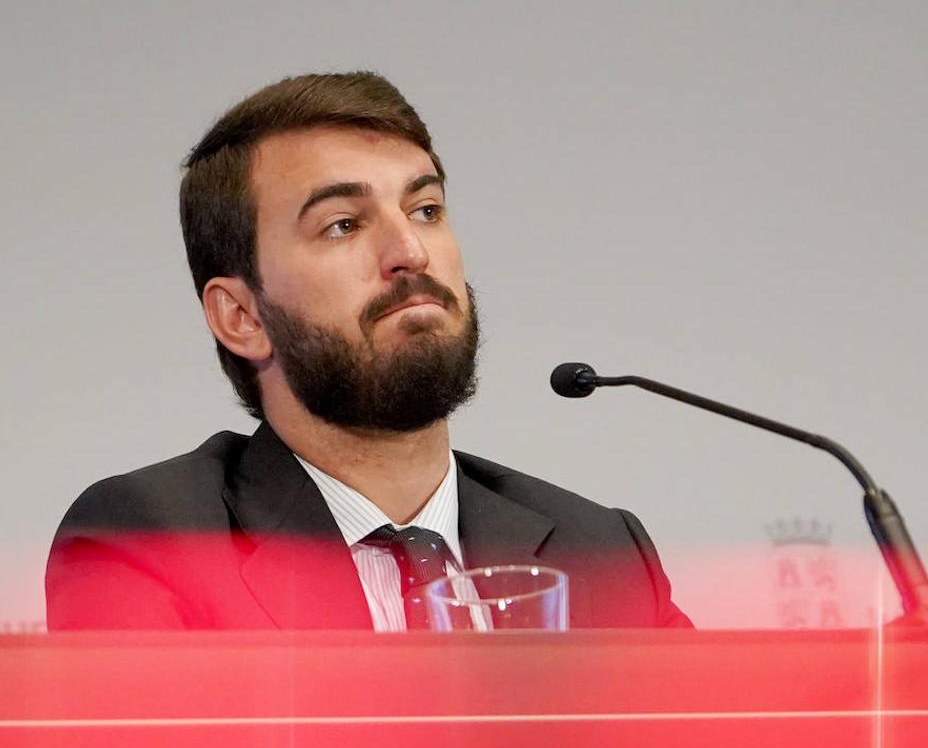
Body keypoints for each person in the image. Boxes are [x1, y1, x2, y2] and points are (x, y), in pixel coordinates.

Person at [46, 72, 691, 631]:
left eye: (427, 208)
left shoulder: (602, 553)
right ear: (242, 317)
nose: (410, 250)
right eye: (343, 225)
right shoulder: (154, 542)